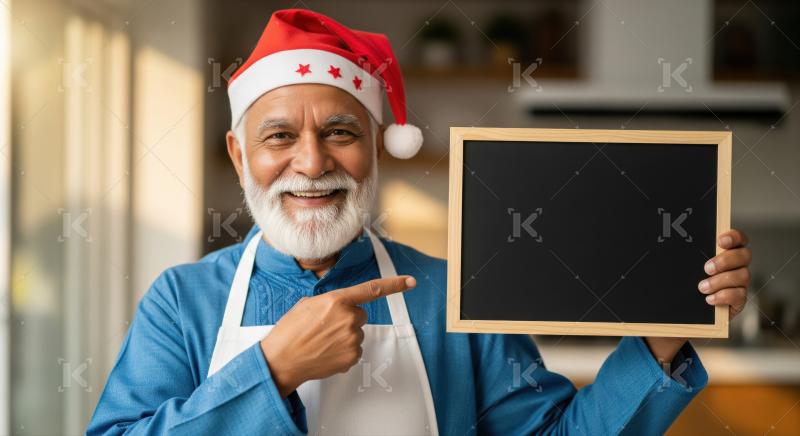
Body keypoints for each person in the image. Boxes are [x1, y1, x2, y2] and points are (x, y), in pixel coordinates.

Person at [87, 9, 752, 435]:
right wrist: (273, 370)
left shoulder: (457, 294)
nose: (311, 163)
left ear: (376, 148)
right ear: (240, 155)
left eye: (340, 132)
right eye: (280, 136)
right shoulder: (181, 302)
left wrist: (662, 339)